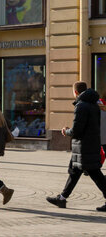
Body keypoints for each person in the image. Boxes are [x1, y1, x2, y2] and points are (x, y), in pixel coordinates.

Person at [47, 82, 106, 210]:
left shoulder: (81, 106)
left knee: (95, 173)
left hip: (84, 146)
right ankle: (62, 198)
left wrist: (66, 131)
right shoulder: (94, 104)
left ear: (75, 92)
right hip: (89, 144)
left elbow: (77, 130)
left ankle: (62, 198)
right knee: (75, 171)